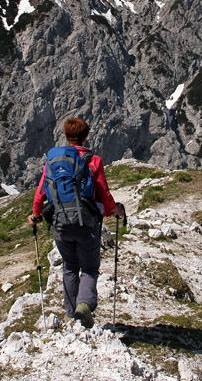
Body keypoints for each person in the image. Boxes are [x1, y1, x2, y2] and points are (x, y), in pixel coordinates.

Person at [28, 118, 125, 328]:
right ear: (86, 136)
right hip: (87, 226)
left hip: (60, 224)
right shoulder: (94, 161)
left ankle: (71, 314)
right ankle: (85, 305)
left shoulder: (53, 161)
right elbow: (104, 195)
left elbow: (39, 195)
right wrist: (114, 210)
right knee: (89, 268)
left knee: (70, 267)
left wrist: (36, 216)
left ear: (66, 136)